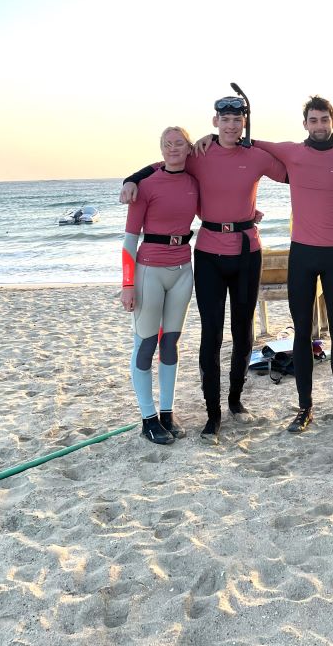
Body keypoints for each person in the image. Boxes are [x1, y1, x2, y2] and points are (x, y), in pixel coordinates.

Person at [197, 94, 333, 434]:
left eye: (324, 120)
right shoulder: (291, 151)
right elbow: (247, 140)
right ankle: (304, 408)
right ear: (305, 124)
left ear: (332, 122)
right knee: (303, 332)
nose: (319, 126)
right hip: (302, 255)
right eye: (313, 120)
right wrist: (208, 139)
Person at [120, 95, 287, 445]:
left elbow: (293, 173)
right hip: (208, 252)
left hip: (247, 250)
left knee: (244, 331)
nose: (230, 126)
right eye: (224, 120)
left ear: (244, 122)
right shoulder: (200, 153)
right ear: (215, 122)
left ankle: (235, 402)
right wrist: (132, 177)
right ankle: (212, 415)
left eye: (237, 120)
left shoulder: (256, 156)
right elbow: (168, 162)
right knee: (211, 332)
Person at [121, 126, 198, 445]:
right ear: (161, 149)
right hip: (149, 271)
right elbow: (128, 240)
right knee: (146, 344)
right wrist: (127, 284)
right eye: (167, 144)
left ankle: (167, 413)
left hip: (183, 269)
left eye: (179, 143)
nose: (173, 148)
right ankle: (148, 418)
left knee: (171, 343)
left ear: (188, 147)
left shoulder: (195, 182)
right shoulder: (146, 185)